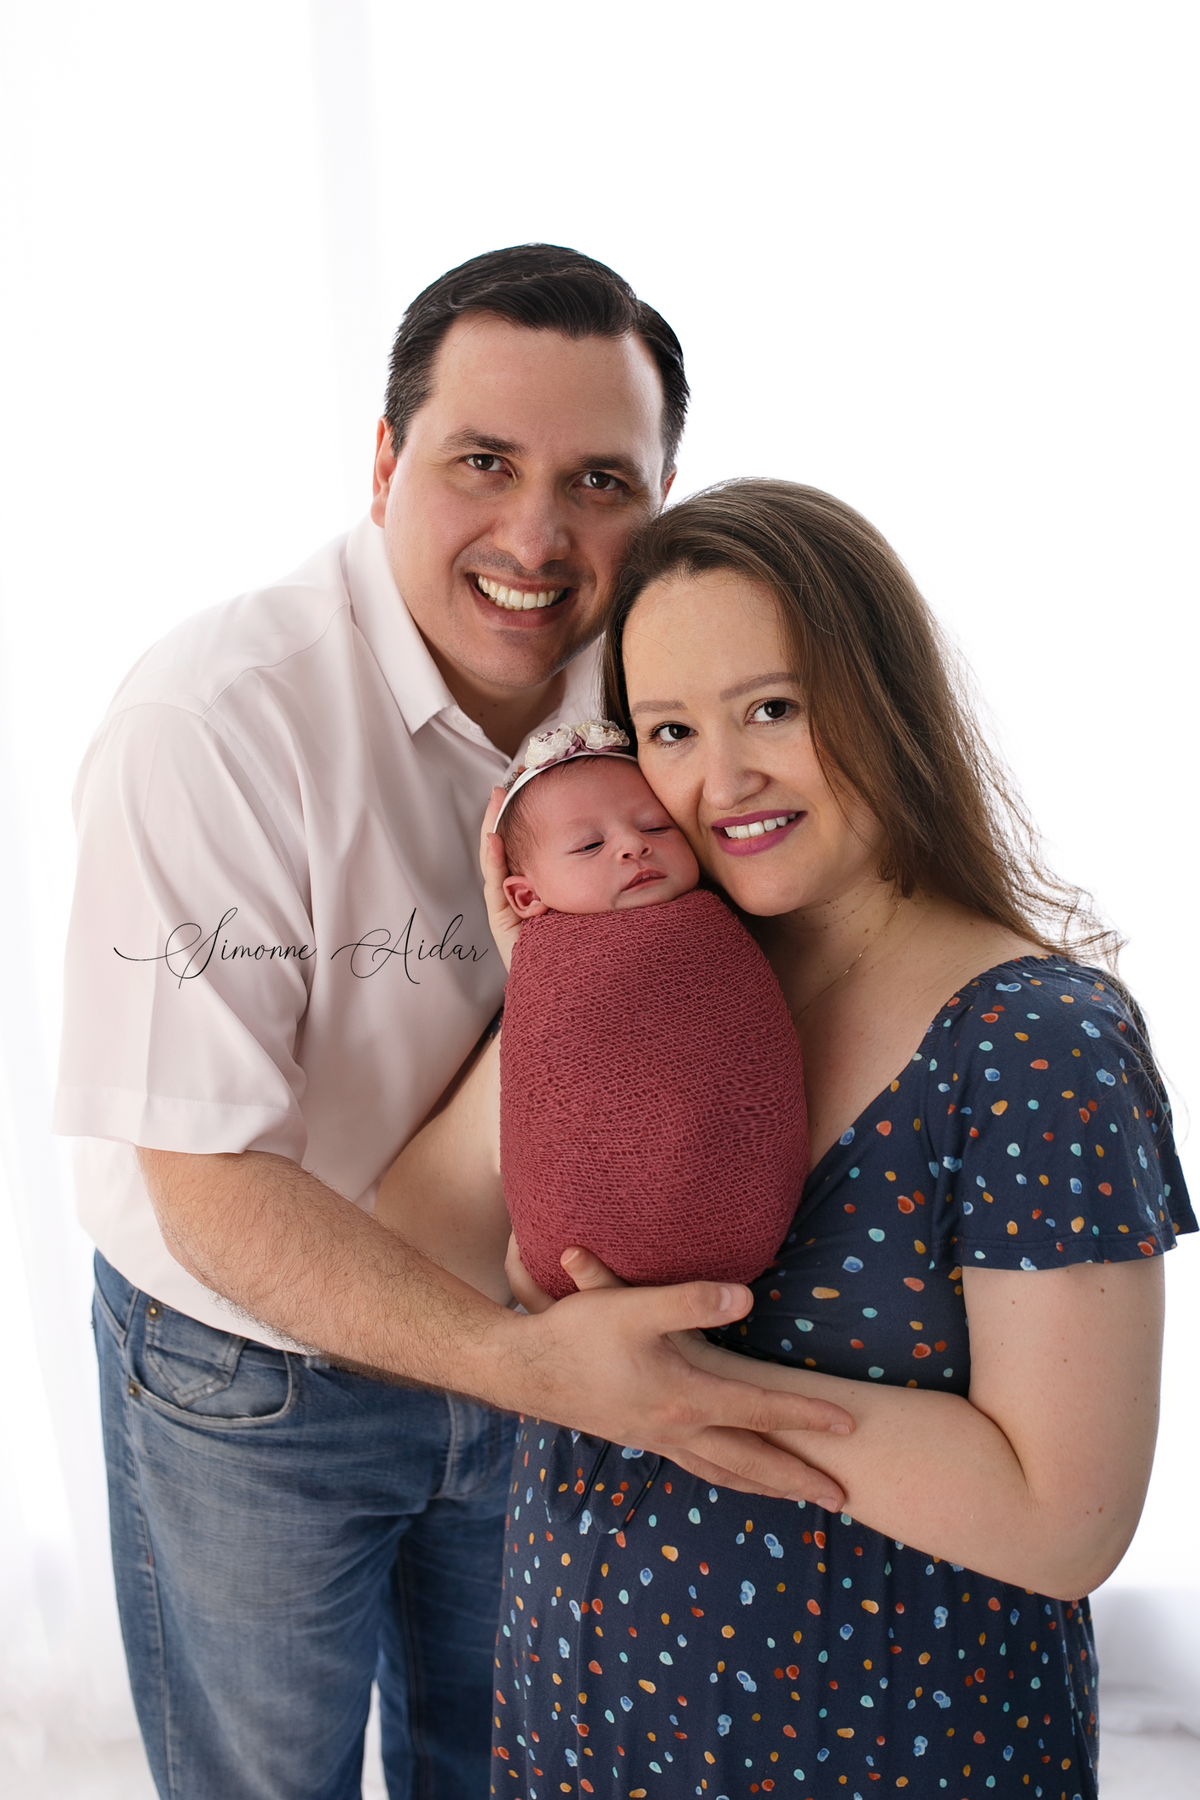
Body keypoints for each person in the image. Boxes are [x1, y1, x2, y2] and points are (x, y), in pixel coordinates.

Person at [53, 255, 850, 1800]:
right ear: (382, 463)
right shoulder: (208, 725)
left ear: (663, 498)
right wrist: (529, 1366)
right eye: (484, 462)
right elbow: (205, 1185)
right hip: (254, 1368)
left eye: (599, 482)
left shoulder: (660, 694)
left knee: (505, 1770)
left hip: (538, 1335)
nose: (536, 539)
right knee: (260, 1779)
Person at [407, 478, 1192, 1797]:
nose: (723, 782)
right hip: (583, 1732)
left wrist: (674, 1393)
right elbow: (412, 1245)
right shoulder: (666, 977)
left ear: (884, 700)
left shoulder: (1036, 1043)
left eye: (772, 708)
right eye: (670, 730)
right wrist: (553, 986)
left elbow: (1068, 1519)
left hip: (878, 1755)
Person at [378, 720, 806, 1298]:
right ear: (525, 896)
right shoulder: (543, 964)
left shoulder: (717, 928)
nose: (634, 845)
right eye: (588, 845)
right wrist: (535, 977)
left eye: (655, 826)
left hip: (739, 1220)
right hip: (571, 1255)